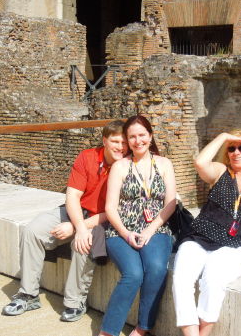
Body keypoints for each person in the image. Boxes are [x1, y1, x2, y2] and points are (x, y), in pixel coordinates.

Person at [2, 120, 127, 322]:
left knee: (83, 242)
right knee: (32, 231)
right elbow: (72, 197)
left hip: (105, 219)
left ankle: (75, 302)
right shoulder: (87, 157)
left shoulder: (127, 166)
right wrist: (78, 224)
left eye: (124, 143)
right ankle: (28, 294)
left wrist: (78, 229)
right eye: (115, 141)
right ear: (105, 141)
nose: (120, 147)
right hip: (76, 211)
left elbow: (115, 211)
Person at [172, 128, 241, 336]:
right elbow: (200, 163)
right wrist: (224, 137)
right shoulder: (220, 171)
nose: (236, 152)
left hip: (236, 245)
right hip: (200, 237)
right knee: (181, 279)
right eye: (232, 148)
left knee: (212, 279)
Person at [98, 115, 176, 336]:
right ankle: (108, 332)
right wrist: (126, 232)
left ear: (150, 137)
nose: (137, 140)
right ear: (127, 140)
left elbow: (170, 204)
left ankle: (143, 328)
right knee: (133, 273)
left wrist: (150, 230)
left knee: (157, 268)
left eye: (142, 135)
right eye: (132, 136)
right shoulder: (121, 166)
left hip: (157, 227)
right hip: (121, 229)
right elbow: (110, 208)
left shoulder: (164, 164)